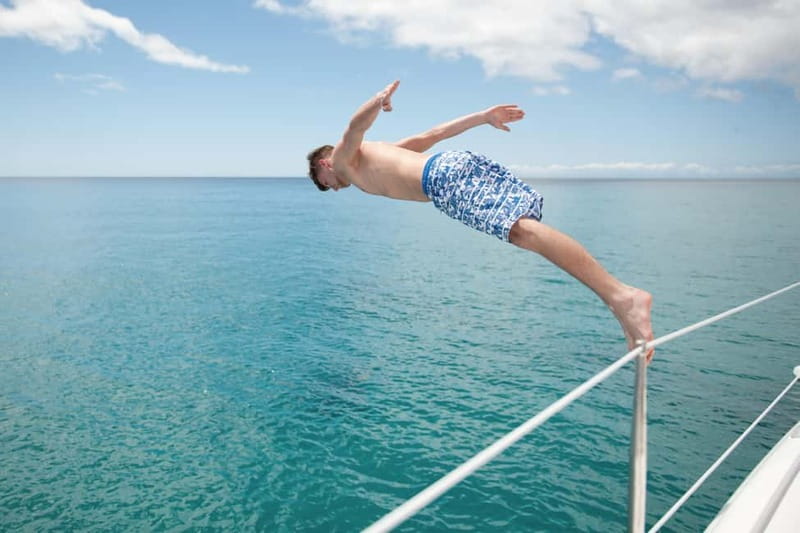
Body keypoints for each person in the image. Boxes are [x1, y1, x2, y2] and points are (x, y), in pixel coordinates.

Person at [307, 80, 654, 360]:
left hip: (442, 179)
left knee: (523, 233)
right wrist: (483, 116)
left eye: (327, 185)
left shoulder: (341, 160)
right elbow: (434, 135)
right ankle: (622, 308)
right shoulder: (377, 154)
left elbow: (354, 126)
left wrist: (378, 101)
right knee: (523, 230)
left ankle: (622, 297)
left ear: (325, 166)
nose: (335, 189)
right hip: (452, 165)